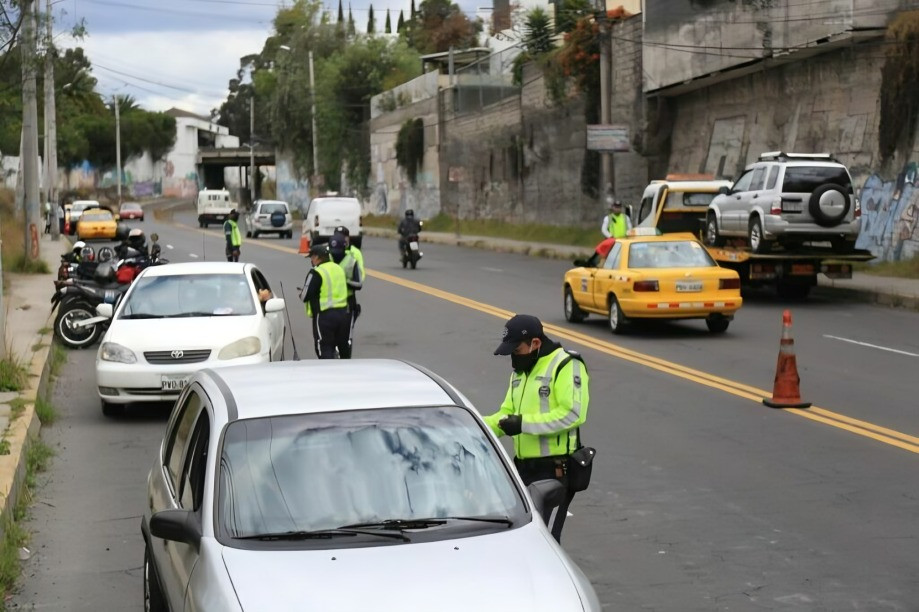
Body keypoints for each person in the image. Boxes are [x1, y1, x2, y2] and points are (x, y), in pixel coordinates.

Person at [484, 314, 590, 543]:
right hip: (522, 470)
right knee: (519, 540)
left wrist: (522, 424)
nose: (514, 358)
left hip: (554, 471)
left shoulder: (565, 365)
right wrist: (477, 429)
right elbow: (506, 413)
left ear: (536, 343)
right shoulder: (521, 371)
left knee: (545, 542)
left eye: (517, 350)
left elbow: (572, 414)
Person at [300, 241, 351, 359]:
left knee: (325, 348)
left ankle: (327, 375)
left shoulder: (317, 272)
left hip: (325, 316)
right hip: (344, 314)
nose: (311, 260)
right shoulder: (339, 269)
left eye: (311, 257)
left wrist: (301, 293)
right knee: (343, 347)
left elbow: (304, 296)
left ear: (317, 257)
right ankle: (347, 373)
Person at [333, 225, 364, 333]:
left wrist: (345, 281)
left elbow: (360, 276)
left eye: (344, 236)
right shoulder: (330, 251)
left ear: (348, 238)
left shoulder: (355, 253)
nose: (341, 239)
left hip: (348, 294)